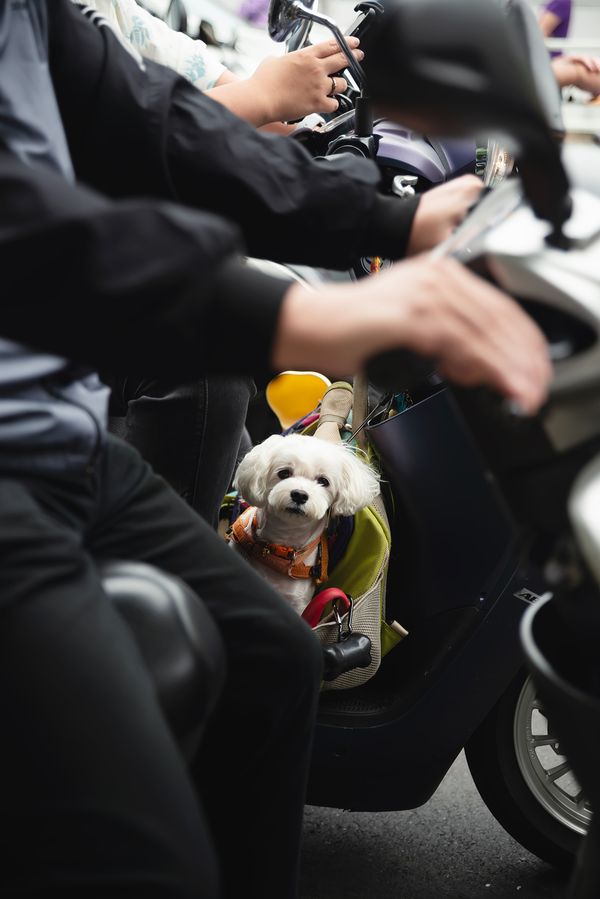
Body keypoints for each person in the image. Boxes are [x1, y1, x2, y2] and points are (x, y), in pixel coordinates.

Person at [0, 2, 550, 897]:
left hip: (64, 444)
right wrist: (299, 316)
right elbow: (40, 216)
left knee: (271, 656)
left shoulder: (34, 18)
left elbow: (154, 121)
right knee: (139, 851)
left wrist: (393, 219)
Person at [84, 0, 484, 525]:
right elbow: (117, 142)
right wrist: (261, 96)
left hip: (101, 280)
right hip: (57, 314)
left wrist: (315, 123)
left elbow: (204, 107)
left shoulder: (104, 16)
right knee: (208, 370)